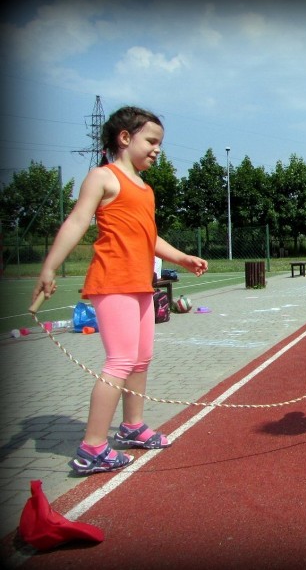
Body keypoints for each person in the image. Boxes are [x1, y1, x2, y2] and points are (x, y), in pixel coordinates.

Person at [32, 106, 208, 474]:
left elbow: (150, 236)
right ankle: (92, 447)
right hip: (112, 281)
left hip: (140, 283)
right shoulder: (103, 178)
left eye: (161, 143)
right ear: (125, 138)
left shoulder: (145, 189)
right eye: (152, 141)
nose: (158, 149)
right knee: (121, 361)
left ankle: (132, 427)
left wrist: (182, 257)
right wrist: (48, 267)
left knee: (141, 359)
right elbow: (77, 221)